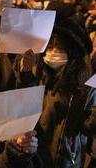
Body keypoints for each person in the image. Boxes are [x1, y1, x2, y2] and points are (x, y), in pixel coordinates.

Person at [19, 17, 96, 167]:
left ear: (71, 53)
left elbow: (87, 128)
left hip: (66, 161)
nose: (53, 53)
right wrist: (26, 77)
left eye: (60, 49)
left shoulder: (84, 87)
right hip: (35, 158)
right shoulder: (40, 75)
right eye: (50, 48)